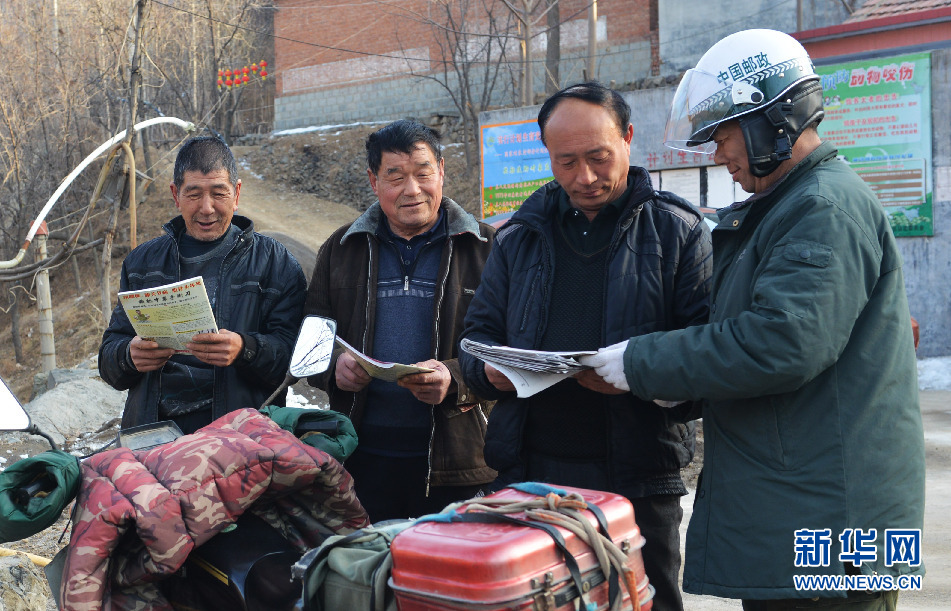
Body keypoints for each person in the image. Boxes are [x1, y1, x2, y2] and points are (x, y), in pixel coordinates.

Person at [584, 29, 925, 609]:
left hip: (832, 526)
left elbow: (780, 343)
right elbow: (750, 339)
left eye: (723, 134)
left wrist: (641, 362)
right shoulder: (786, 207)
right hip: (802, 505)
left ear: (773, 120)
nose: (719, 154)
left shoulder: (822, 208)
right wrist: (678, 383)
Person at [459, 82, 713, 611]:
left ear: (628, 137)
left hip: (638, 478)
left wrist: (638, 374)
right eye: (566, 161)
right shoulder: (516, 236)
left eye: (598, 157)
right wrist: (490, 374)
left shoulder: (679, 231)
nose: (585, 177)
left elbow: (708, 355)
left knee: (644, 601)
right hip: (532, 475)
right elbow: (474, 341)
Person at [305, 119, 496, 522]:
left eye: (423, 173)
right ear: (374, 182)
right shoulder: (341, 249)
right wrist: (332, 369)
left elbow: (513, 349)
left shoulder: (488, 248)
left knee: (449, 577)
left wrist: (455, 378)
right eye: (395, 176)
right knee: (373, 577)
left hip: (461, 460)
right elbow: (311, 345)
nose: (412, 190)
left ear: (441, 171)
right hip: (360, 457)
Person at [99, 136, 307, 434]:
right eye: (194, 194)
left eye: (218, 193)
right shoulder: (143, 264)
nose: (207, 208)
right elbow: (109, 361)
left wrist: (245, 349)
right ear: (176, 194)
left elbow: (295, 363)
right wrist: (129, 356)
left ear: (236, 193)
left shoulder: (275, 264)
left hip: (243, 440)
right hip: (153, 439)